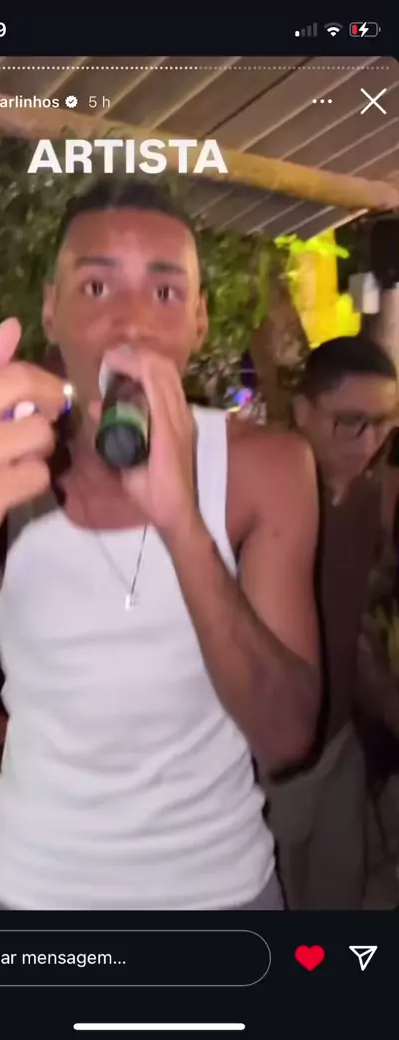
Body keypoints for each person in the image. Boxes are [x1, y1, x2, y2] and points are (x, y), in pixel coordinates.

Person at [0, 178, 319, 911]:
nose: (132, 322)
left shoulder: (269, 468)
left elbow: (289, 736)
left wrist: (183, 524)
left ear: (200, 319)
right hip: (33, 900)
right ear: (51, 309)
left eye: (165, 293)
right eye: (97, 286)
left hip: (224, 899)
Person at [266, 335, 399, 910]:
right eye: (350, 423)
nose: (369, 442)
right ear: (303, 412)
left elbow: (351, 620)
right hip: (274, 763)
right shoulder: (264, 502)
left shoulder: (366, 496)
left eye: (384, 423)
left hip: (340, 743)